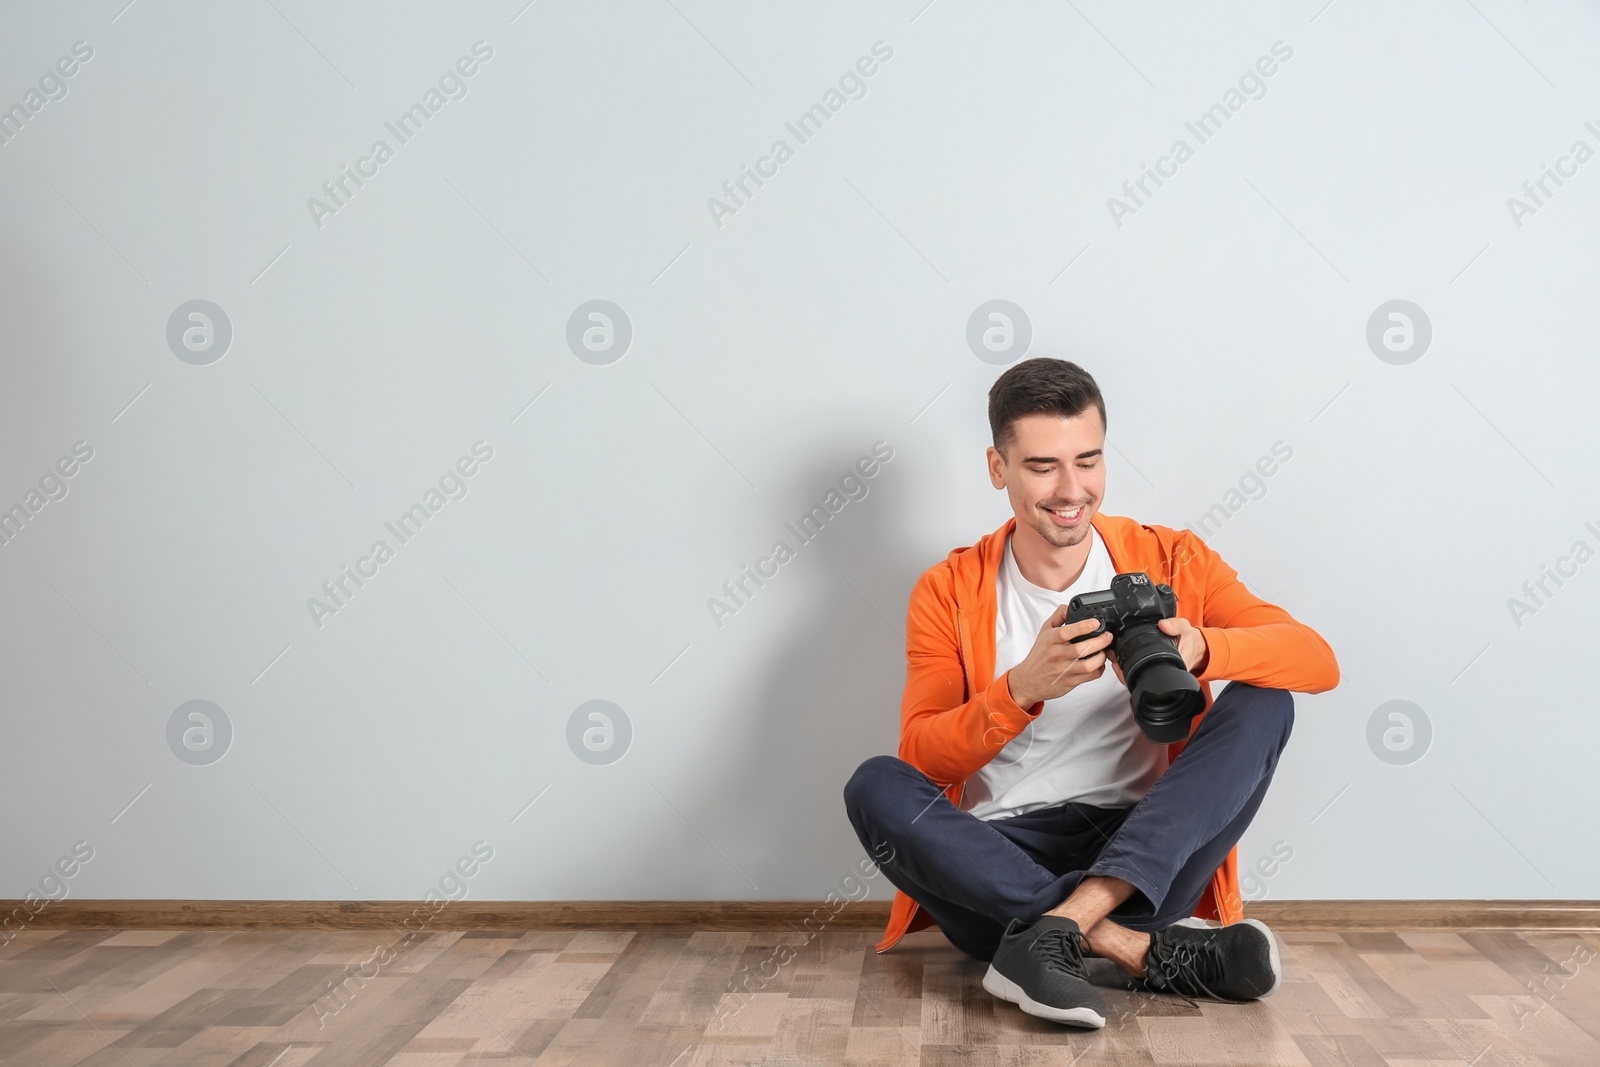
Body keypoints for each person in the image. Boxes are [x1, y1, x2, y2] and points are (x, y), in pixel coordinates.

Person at [842, 357, 1339, 1028]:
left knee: (1266, 699)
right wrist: (1019, 689)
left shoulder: (1169, 559)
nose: (1071, 488)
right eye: (1043, 465)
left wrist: (1204, 648)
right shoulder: (950, 589)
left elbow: (1317, 658)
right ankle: (1129, 949)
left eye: (1089, 460)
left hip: (1143, 855)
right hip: (996, 868)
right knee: (875, 783)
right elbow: (922, 756)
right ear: (999, 468)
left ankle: (1063, 929)